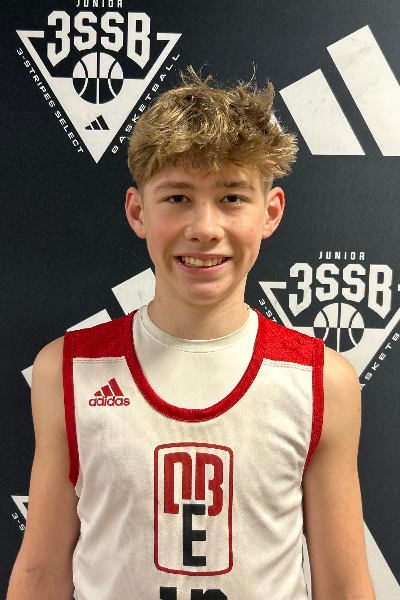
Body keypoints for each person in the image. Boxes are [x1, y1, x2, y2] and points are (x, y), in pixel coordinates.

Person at [7, 67, 376, 600]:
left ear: (270, 213)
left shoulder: (321, 381)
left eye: (232, 198)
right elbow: (41, 574)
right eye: (178, 198)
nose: (204, 227)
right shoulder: (68, 370)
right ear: (138, 211)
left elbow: (343, 586)